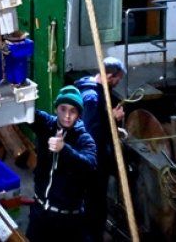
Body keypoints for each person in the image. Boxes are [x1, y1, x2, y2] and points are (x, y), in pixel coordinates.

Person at [28, 86, 98, 241]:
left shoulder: (84, 139)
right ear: (56, 109)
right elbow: (26, 113)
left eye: (73, 111)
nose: (67, 115)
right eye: (63, 109)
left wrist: (64, 149)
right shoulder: (47, 124)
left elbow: (90, 166)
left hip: (68, 221)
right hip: (39, 213)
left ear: (79, 114)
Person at [74, 57, 127, 242]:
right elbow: (91, 133)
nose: (118, 82)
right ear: (111, 76)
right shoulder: (92, 97)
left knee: (90, 200)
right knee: (94, 202)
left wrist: (109, 119)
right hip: (93, 161)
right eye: (118, 79)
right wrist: (113, 118)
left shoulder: (89, 87)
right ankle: (93, 236)